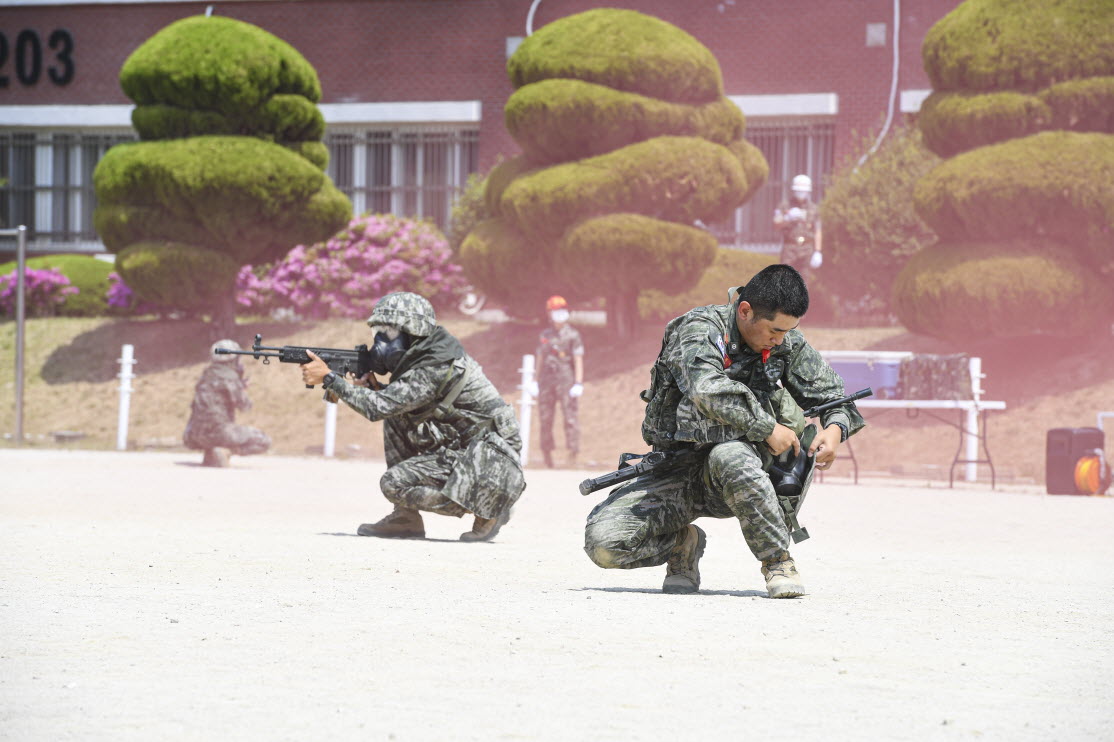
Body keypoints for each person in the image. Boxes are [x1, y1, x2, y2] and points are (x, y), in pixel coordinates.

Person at [582, 265, 864, 598]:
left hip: (739, 472)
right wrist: (767, 426)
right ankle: (683, 545)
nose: (780, 339)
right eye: (775, 330)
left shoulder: (784, 343)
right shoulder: (700, 329)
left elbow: (836, 398)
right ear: (745, 311)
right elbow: (707, 389)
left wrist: (834, 429)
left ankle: (777, 561)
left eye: (788, 331)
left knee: (729, 454)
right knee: (605, 544)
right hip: (674, 469)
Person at [298, 291, 525, 542]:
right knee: (397, 417)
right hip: (470, 448)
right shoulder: (429, 355)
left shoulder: (433, 365)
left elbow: (377, 408)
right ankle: (405, 518)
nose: (381, 341)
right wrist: (374, 388)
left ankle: (488, 506)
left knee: (393, 484)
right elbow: (396, 403)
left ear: (412, 331)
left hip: (490, 462)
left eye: (389, 332)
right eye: (379, 333)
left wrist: (330, 378)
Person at [183, 339, 272, 467]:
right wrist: (241, 387)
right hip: (219, 432)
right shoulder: (230, 377)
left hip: (193, 435)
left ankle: (210, 453)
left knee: (217, 428)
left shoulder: (205, 376)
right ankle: (226, 452)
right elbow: (245, 406)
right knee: (264, 441)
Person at [527, 295, 585, 468]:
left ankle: (572, 453)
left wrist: (578, 382)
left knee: (570, 417)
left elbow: (578, 359)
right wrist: (534, 380)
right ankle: (547, 455)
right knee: (545, 417)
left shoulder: (573, 334)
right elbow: (540, 357)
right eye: (555, 311)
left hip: (566, 379)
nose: (559, 314)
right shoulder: (545, 335)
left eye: (562, 310)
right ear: (549, 314)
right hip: (546, 380)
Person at [773, 174, 823, 280]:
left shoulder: (813, 208)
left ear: (808, 191)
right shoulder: (785, 206)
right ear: (793, 190)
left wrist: (818, 251)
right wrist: (787, 218)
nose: (801, 193)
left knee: (804, 283)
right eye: (798, 190)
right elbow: (776, 225)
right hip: (789, 248)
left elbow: (817, 230)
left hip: (807, 248)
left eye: (803, 191)